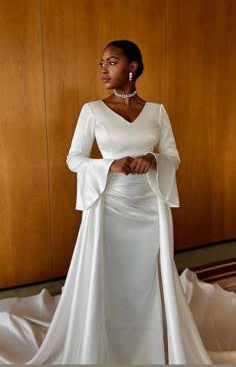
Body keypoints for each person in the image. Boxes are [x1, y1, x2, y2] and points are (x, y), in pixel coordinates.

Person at [0, 39, 236, 364]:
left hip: (150, 209)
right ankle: (103, 343)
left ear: (132, 67)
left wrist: (153, 160)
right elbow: (74, 158)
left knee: (144, 279)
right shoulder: (92, 111)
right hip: (108, 207)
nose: (103, 70)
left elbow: (173, 157)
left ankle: (149, 343)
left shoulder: (156, 112)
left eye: (111, 63)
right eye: (101, 64)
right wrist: (108, 165)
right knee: (109, 277)